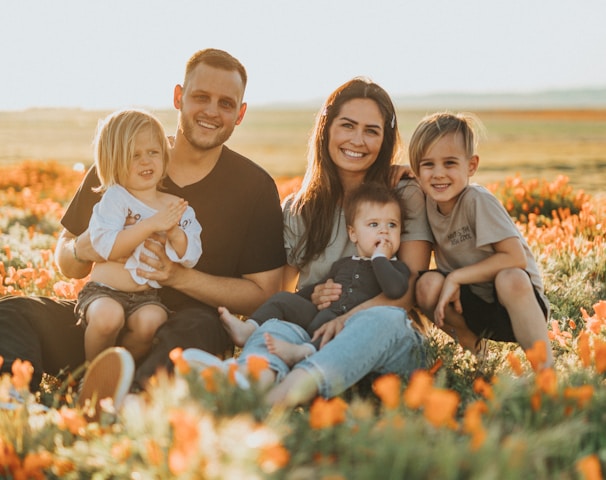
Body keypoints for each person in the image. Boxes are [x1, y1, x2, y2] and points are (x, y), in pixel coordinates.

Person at [0, 49, 286, 411]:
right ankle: (12, 398)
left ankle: (128, 402)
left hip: (182, 332)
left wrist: (177, 277)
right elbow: (67, 258)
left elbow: (262, 294)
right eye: (201, 97)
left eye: (226, 103)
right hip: (103, 320)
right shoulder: (126, 158)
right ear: (178, 97)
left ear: (240, 114)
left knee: (197, 329)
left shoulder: (254, 187)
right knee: (14, 312)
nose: (212, 111)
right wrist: (83, 250)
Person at [183, 77, 433, 407]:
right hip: (315, 334)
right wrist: (310, 295)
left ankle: (275, 400)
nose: (357, 140)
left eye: (371, 131)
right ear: (327, 128)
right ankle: (248, 382)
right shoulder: (300, 209)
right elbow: (278, 291)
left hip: (388, 342)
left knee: (379, 320)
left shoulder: (402, 195)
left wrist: (347, 318)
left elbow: (408, 293)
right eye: (347, 126)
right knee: (277, 325)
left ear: (384, 139)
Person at [409, 111, 554, 367]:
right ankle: (477, 353)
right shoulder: (427, 204)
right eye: (428, 164)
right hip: (472, 306)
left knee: (510, 277)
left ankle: (545, 371)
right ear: (417, 171)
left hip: (515, 305)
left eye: (450, 163)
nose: (438, 174)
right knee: (426, 284)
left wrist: (456, 276)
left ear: (472, 166)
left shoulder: (477, 200)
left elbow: (515, 257)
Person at [219, 182, 410, 366]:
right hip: (319, 315)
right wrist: (304, 298)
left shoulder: (397, 269)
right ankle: (249, 329)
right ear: (353, 234)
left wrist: (380, 258)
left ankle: (304, 351)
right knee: (283, 299)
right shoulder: (343, 264)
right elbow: (316, 288)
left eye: (392, 225)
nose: (384, 231)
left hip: (350, 326)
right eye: (374, 224)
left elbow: (394, 289)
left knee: (332, 325)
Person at [77, 108, 202, 363]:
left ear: (164, 156)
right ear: (113, 161)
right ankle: (91, 373)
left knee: (152, 321)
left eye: (153, 153)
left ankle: (122, 372)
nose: (146, 161)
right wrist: (151, 224)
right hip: (104, 291)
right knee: (107, 318)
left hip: (147, 297)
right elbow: (107, 247)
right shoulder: (115, 198)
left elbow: (191, 256)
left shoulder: (177, 206)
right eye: (134, 155)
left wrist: (175, 233)